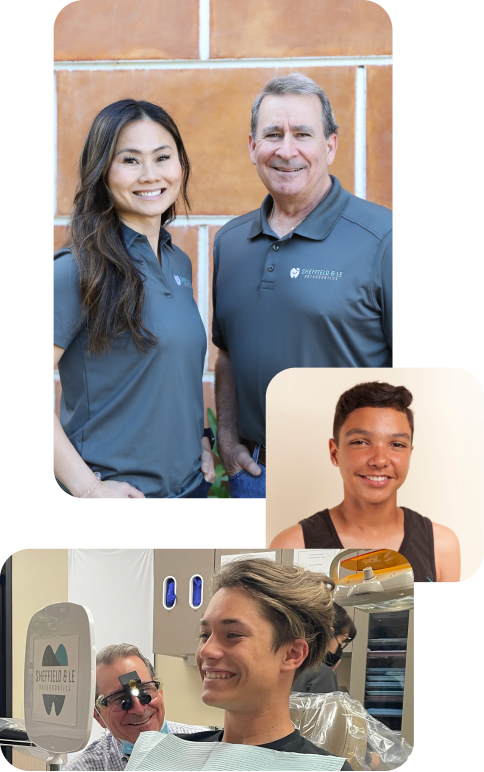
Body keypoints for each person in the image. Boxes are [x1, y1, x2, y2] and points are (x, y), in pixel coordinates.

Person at [212, 72, 393, 499]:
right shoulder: (230, 242)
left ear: (330, 145)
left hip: (350, 484)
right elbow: (228, 353)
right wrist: (228, 439)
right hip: (256, 476)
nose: (286, 150)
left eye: (303, 134)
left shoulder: (383, 238)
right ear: (252, 146)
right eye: (273, 134)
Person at [53, 99, 215, 499]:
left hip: (190, 488)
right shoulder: (76, 268)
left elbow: (171, 372)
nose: (150, 175)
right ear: (101, 171)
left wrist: (201, 439)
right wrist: (89, 488)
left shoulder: (178, 261)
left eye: (162, 157)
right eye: (130, 160)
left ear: (180, 165)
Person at [167, 558, 353, 769]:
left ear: (292, 654)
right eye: (204, 635)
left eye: (233, 634)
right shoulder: (170, 754)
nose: (206, 650)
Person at [270, 382, 461, 583]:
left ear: (409, 455)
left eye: (397, 444)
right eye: (360, 442)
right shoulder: (290, 547)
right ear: (334, 453)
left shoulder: (441, 546)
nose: (380, 460)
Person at [64, 644, 207, 771]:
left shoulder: (207, 749)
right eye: (121, 700)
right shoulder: (82, 768)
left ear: (160, 693)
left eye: (145, 691)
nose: (139, 710)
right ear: (98, 715)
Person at [292, 603, 356, 694]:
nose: (339, 647)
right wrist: (327, 675)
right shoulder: (320, 673)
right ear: (329, 633)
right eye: (341, 641)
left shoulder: (286, 663)